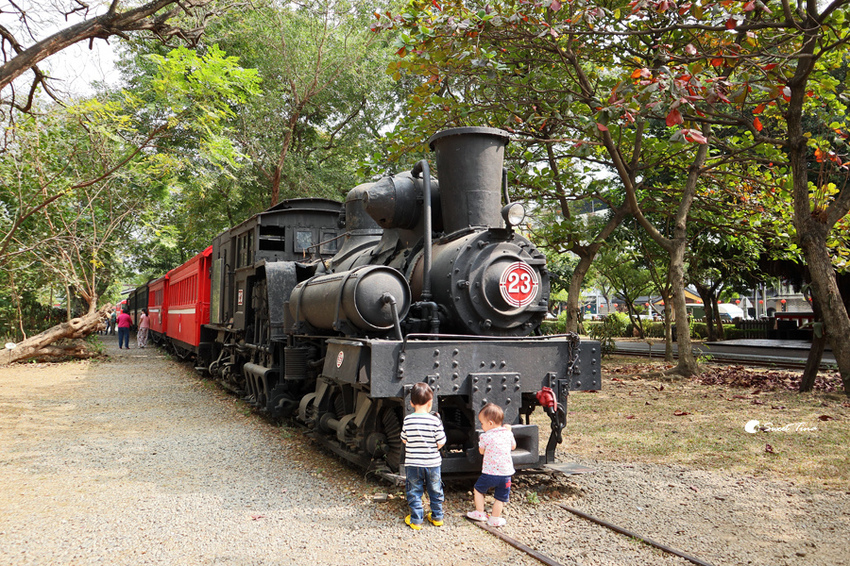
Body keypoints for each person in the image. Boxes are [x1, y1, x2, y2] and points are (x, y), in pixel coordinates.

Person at [400, 382, 446, 531]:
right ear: (430, 403)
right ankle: (437, 517)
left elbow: (404, 439)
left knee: (414, 491)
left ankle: (416, 520)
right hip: (432, 464)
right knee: (435, 489)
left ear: (411, 403)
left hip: (413, 464)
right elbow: (441, 442)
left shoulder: (408, 420)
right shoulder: (435, 421)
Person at [466, 403, 516, 527]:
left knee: (478, 490)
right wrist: (510, 432)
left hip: (490, 474)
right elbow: (513, 446)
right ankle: (495, 519)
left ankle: (479, 512)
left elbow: (481, 451)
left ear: (491, 423)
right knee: (500, 497)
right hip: (506, 474)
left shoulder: (485, 436)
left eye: (482, 423)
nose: (482, 426)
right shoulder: (508, 434)